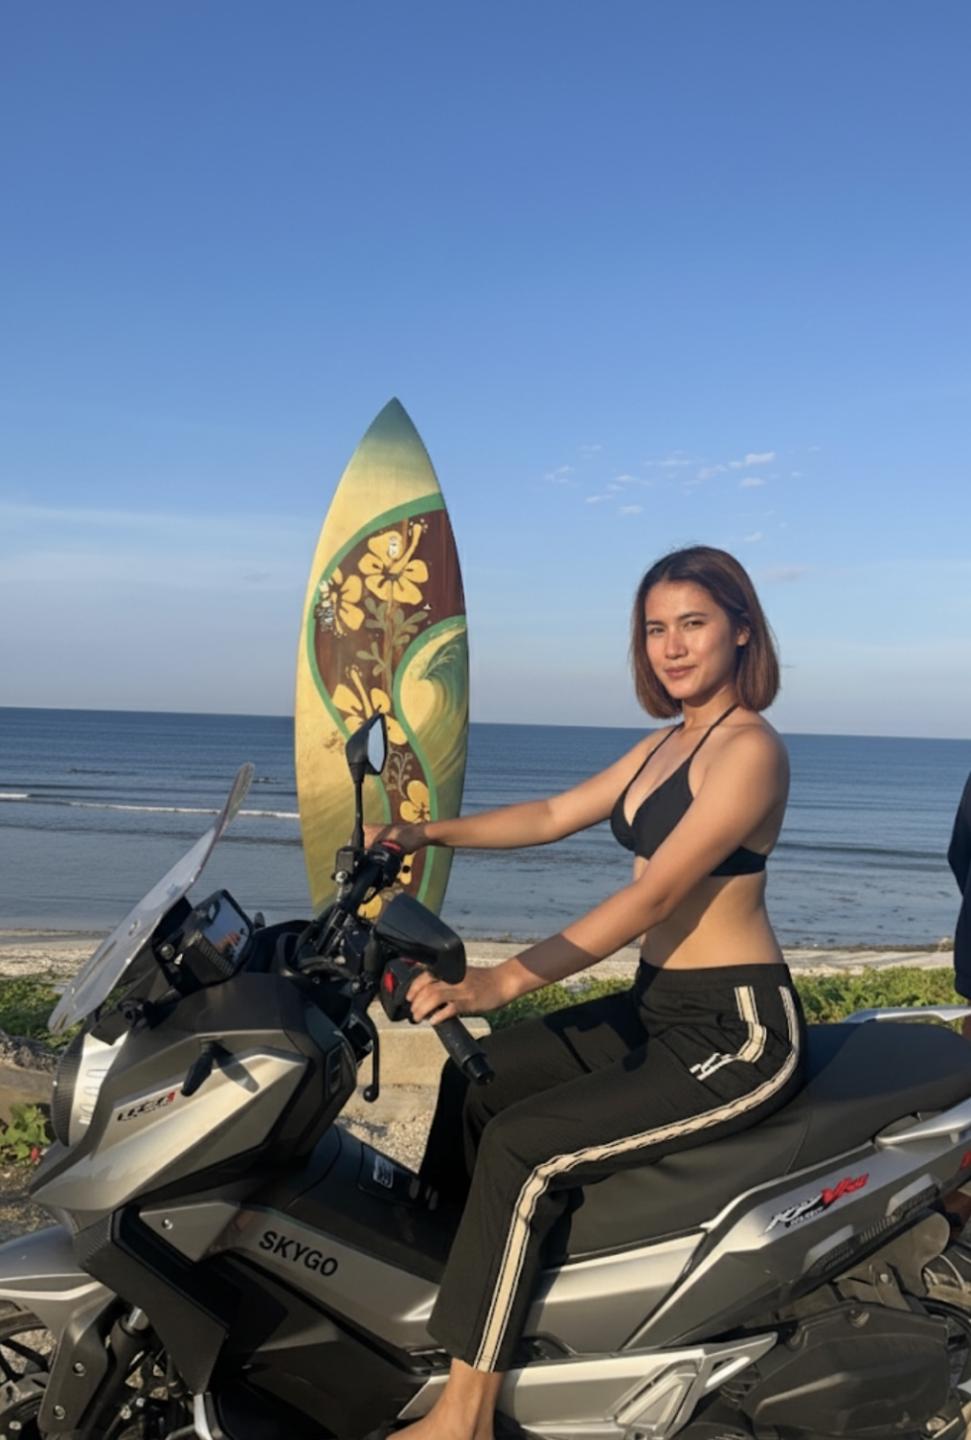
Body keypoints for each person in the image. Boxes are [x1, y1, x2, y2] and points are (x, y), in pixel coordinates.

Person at [366, 544, 807, 1440]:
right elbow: (550, 815)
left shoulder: (750, 749)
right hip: (657, 1007)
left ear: (740, 630)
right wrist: (423, 831)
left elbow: (654, 895)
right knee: (478, 1082)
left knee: (523, 1149)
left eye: (692, 624)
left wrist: (501, 981)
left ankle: (463, 1417)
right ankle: (443, 1297)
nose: (671, 646)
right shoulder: (665, 744)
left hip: (736, 1031)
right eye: (654, 629)